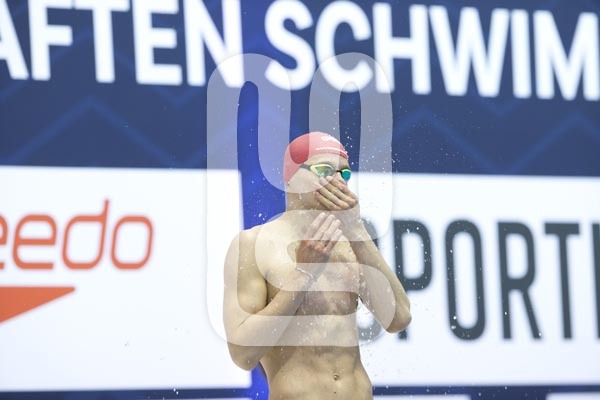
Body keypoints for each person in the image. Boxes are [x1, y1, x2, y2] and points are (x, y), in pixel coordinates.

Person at [223, 132, 411, 399]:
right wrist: (303, 275)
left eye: (344, 173)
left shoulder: (351, 243)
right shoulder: (254, 244)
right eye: (324, 170)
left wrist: (356, 229)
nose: (338, 181)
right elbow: (243, 354)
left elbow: (398, 318)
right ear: (290, 178)